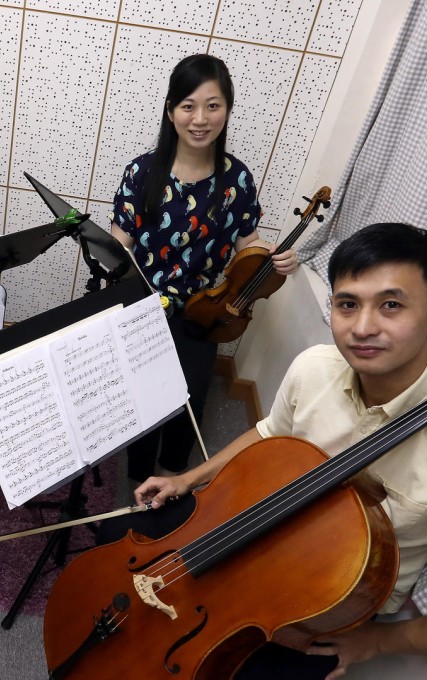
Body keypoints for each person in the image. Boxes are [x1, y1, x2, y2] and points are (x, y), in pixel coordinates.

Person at [99, 222, 427, 679]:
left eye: (391, 305)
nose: (363, 328)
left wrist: (378, 641)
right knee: (117, 542)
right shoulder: (314, 367)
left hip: (324, 598)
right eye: (348, 304)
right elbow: (269, 433)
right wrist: (188, 479)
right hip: (259, 517)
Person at [110, 53, 298, 482]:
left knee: (190, 397)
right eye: (188, 106)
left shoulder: (237, 180)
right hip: (143, 302)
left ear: (227, 110)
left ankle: (174, 475)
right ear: (170, 111)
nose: (200, 119)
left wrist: (275, 258)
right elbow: (120, 242)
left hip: (204, 309)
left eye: (213, 106)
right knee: (144, 397)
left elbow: (248, 245)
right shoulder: (142, 171)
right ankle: (138, 477)